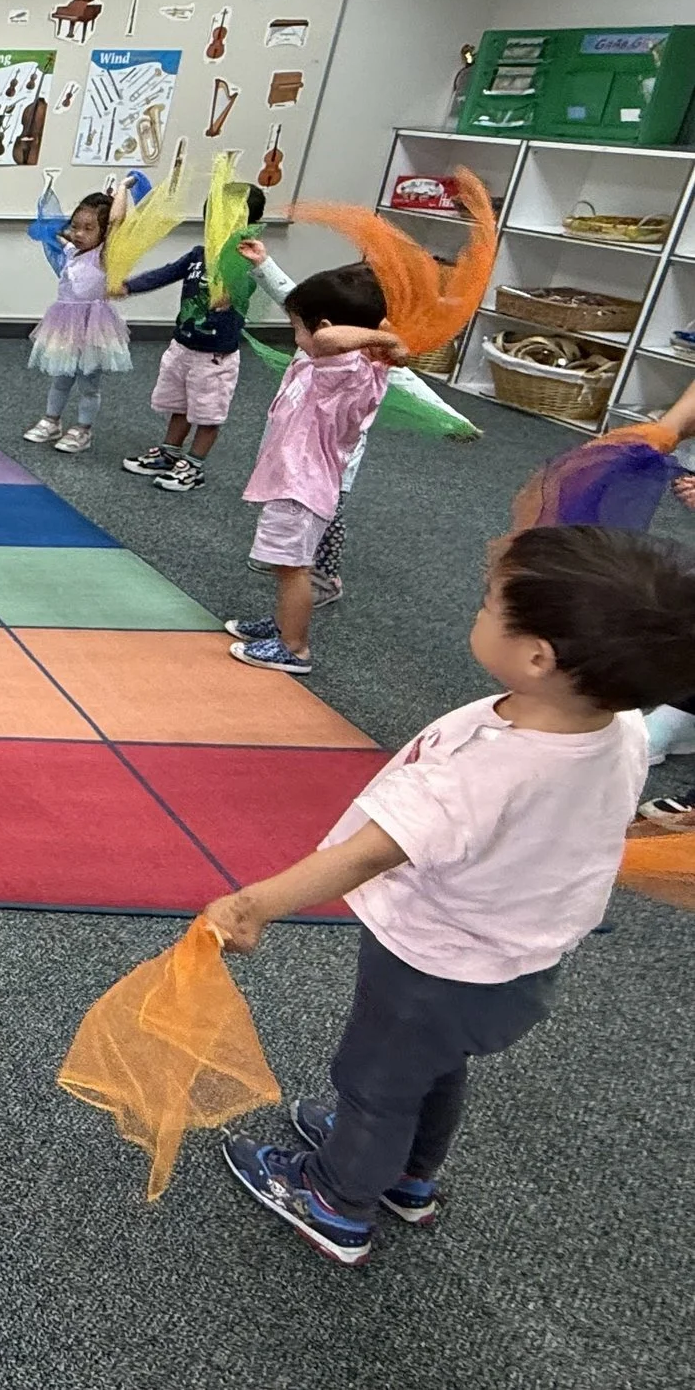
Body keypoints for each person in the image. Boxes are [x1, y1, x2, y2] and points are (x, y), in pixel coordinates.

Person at [206, 526, 695, 1266]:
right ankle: (408, 1174)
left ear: (538, 658)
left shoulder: (485, 773)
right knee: (434, 1066)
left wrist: (251, 905)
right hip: (517, 958)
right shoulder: (620, 724)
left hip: (435, 959)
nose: (479, 609)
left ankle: (336, 1199)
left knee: (373, 1084)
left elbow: (368, 853)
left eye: (489, 603)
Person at [223, 265, 404, 676]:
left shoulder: (347, 370)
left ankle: (294, 647)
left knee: (293, 567)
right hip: (297, 480)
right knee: (286, 563)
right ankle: (283, 625)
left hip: (301, 486)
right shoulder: (347, 364)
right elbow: (325, 339)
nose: (296, 338)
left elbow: (325, 339)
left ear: (323, 328)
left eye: (296, 328)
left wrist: (386, 338)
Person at [117, 189, 297, 492]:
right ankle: (169, 453)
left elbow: (248, 288)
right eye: (213, 217)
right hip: (183, 346)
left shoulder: (246, 261)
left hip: (214, 356)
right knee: (180, 404)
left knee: (208, 413)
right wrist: (129, 286)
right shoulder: (198, 255)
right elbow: (167, 273)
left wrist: (231, 294)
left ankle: (194, 466)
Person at [23, 187, 128, 455]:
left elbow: (117, 222)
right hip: (65, 325)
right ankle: (52, 420)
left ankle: (83, 429)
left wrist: (122, 190)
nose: (79, 233)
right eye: (76, 227)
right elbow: (54, 232)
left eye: (89, 228)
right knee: (61, 376)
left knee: (88, 382)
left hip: (94, 326)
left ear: (104, 233)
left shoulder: (104, 255)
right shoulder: (71, 251)